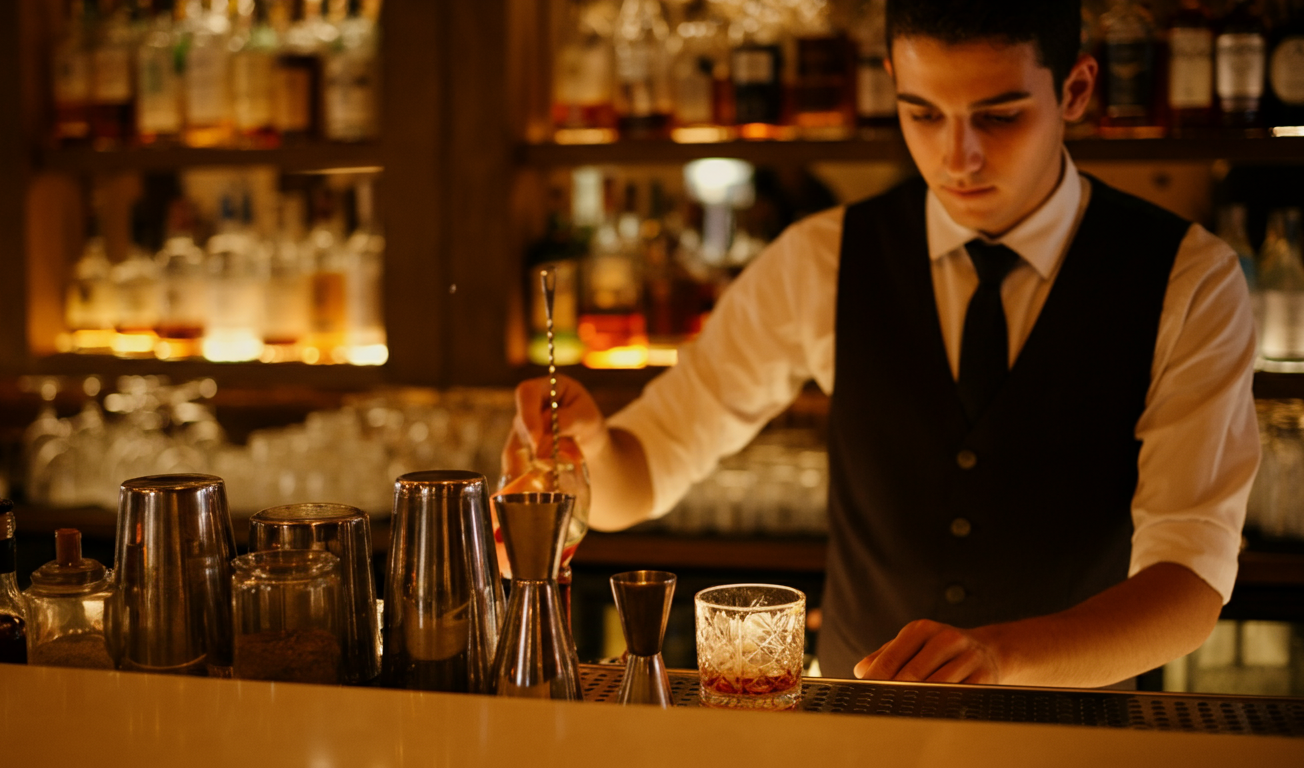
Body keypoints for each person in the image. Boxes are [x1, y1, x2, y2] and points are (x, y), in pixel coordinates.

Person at [508, 0, 1257, 688]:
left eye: (998, 117)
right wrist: (591, 455)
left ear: (1076, 90)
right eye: (923, 113)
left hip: (1077, 741)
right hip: (861, 735)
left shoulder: (1188, 279)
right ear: (891, 79)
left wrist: (1001, 654)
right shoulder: (821, 258)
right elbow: (646, 471)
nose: (956, 157)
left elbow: (1188, 584)